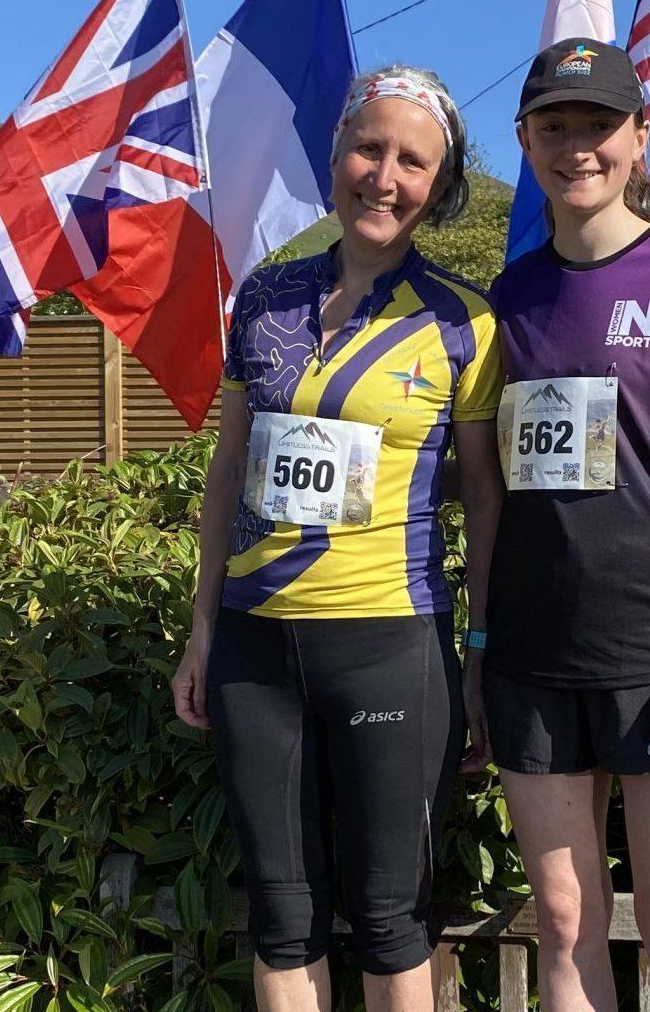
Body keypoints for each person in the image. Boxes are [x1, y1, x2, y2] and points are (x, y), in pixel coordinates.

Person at [171, 66, 504, 1012]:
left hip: (391, 647)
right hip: (253, 649)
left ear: (437, 187)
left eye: (412, 161)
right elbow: (228, 473)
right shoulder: (264, 299)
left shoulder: (463, 321)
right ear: (334, 155)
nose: (384, 176)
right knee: (281, 918)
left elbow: (484, 501)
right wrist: (202, 628)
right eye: (370, 149)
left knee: (392, 919)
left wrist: (479, 652)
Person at [483, 38, 650, 1012]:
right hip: (529, 659)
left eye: (599, 125)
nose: (578, 147)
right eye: (555, 126)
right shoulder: (503, 303)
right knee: (562, 919)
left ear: (640, 139)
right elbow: (491, 489)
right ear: (524, 141)